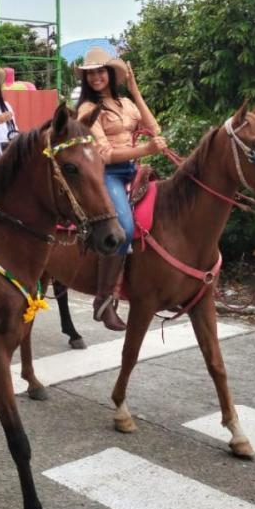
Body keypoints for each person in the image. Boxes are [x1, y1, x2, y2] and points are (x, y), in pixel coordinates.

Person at [75, 47, 168, 331]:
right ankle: (104, 302)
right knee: (124, 228)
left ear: (111, 75)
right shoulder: (87, 110)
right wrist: (146, 148)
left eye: (101, 72)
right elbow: (104, 155)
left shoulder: (126, 103)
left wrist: (136, 92)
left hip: (135, 171)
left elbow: (155, 128)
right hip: (108, 174)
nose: (96, 78)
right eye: (90, 74)